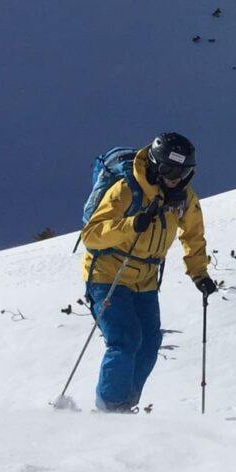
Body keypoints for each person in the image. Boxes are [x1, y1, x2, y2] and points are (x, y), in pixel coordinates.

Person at [78, 132, 217, 412]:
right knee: (125, 339)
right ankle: (109, 409)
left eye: (182, 171)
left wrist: (199, 273)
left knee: (149, 343)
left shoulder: (183, 198)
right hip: (107, 276)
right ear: (155, 164)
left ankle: (125, 405)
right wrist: (130, 225)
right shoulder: (127, 189)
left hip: (146, 281)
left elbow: (193, 235)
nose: (174, 177)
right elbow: (91, 235)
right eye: (168, 169)